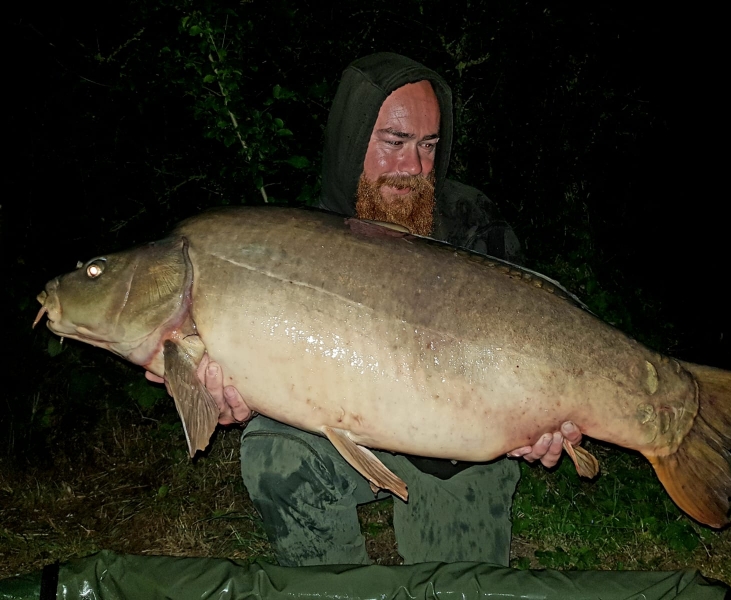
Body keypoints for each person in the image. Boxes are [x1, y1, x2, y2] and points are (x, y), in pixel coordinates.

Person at [149, 53, 582, 566]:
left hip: (458, 454)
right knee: (275, 453)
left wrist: (543, 425)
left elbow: (536, 354)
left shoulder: (474, 227)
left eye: (428, 146)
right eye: (394, 143)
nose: (414, 168)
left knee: (453, 586)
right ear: (352, 142)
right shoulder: (303, 239)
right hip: (340, 433)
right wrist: (228, 395)